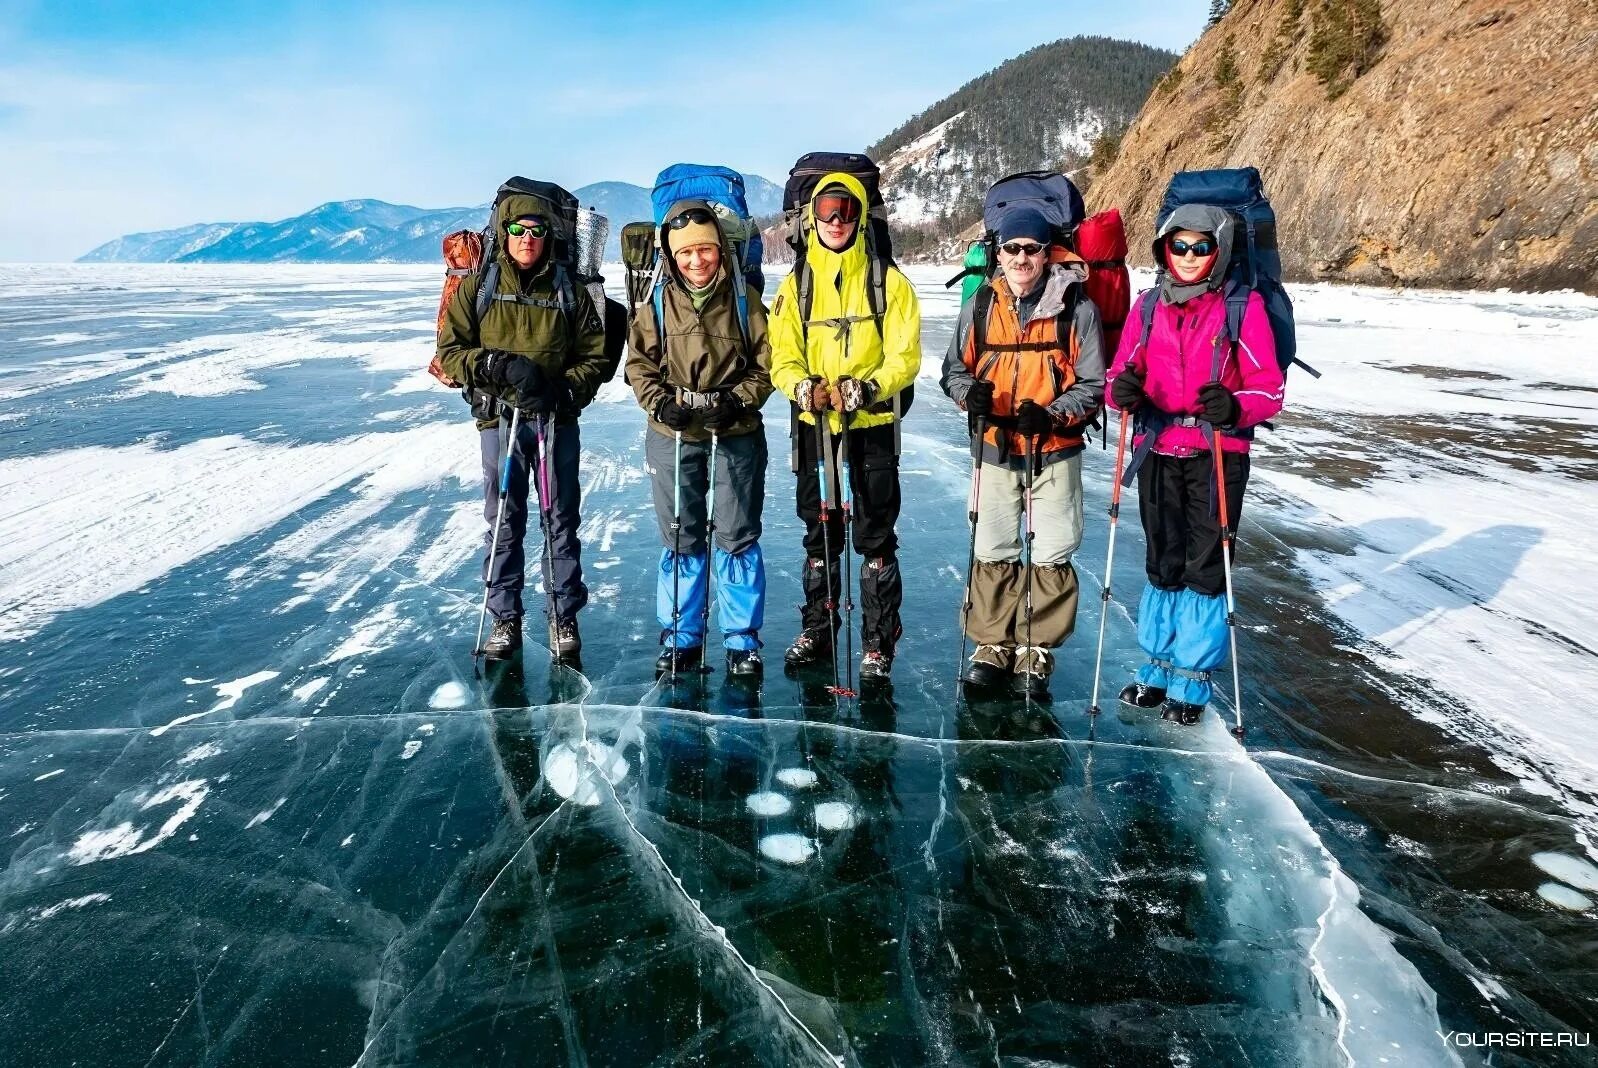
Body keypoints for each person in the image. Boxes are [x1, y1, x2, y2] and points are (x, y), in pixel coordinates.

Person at [1104, 205, 1284, 724]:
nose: (1187, 256)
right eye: (1178, 245)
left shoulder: (1239, 307)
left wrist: (1235, 407)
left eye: (1200, 247)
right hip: (1158, 447)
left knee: (1205, 565)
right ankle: (1156, 667)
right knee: (1163, 560)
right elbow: (1122, 374)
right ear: (1163, 248)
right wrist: (1124, 392)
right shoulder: (1147, 307)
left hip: (1216, 454)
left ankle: (1193, 678)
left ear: (1219, 250)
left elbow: (1267, 385)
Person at [437, 179, 618, 662]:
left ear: (548, 236)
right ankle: (504, 618)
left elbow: (596, 356)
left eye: (536, 229)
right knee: (504, 521)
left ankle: (563, 616)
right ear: (504, 230)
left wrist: (564, 389)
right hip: (499, 423)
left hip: (555, 420)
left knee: (559, 519)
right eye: (517, 228)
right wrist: (494, 366)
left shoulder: (571, 293)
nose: (526, 238)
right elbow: (451, 352)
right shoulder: (478, 287)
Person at [941, 206, 1106, 701]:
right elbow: (954, 370)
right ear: (1000, 252)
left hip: (1053, 447)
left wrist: (1053, 414)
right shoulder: (980, 305)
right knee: (992, 547)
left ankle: (1036, 648)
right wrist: (968, 395)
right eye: (1012, 249)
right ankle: (992, 644)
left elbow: (1095, 385)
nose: (1021, 258)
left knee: (1053, 550)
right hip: (994, 445)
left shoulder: (1077, 308)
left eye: (1031, 249)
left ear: (1047, 252)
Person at [768, 173, 921, 682]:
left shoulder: (888, 281)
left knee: (876, 532)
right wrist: (800, 387)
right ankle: (819, 626)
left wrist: (871, 387)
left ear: (860, 216)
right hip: (817, 425)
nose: (836, 221)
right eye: (828, 211)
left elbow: (906, 354)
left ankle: (878, 641)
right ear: (813, 217)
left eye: (847, 211)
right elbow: (782, 354)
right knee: (820, 528)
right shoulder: (797, 285)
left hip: (871, 426)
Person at [628, 200, 775, 678]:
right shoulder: (656, 302)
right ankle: (680, 635)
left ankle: (740, 641)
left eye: (706, 250)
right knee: (681, 535)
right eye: (686, 253)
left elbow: (768, 364)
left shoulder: (744, 301)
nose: (697, 261)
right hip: (672, 432)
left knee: (736, 535)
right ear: (672, 256)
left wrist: (737, 400)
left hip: (735, 432)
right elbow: (639, 363)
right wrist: (659, 402)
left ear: (720, 250)